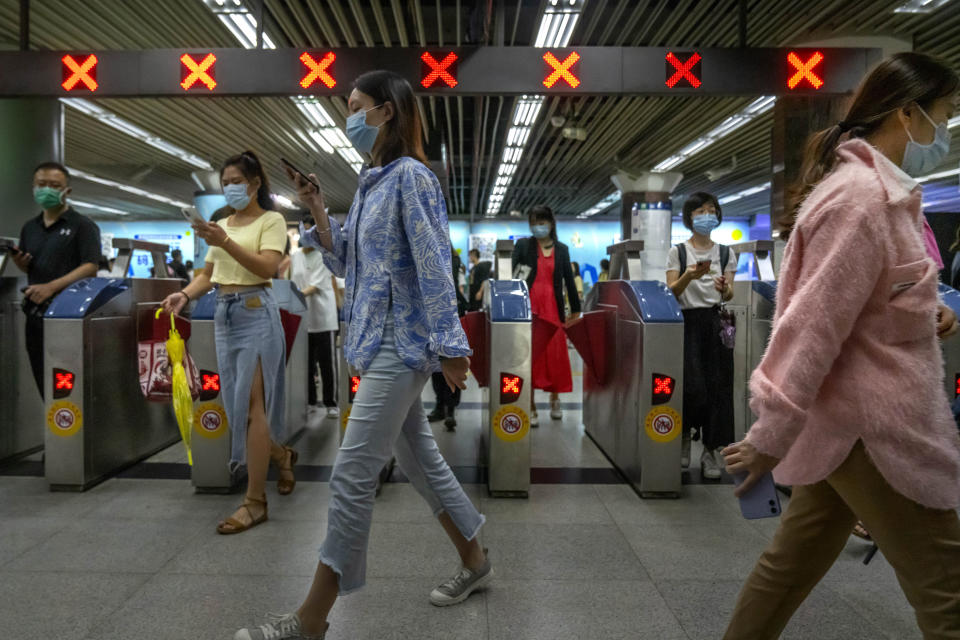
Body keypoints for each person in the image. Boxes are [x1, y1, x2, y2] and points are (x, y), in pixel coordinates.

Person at [234, 70, 489, 640]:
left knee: (351, 474)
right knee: (424, 464)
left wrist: (451, 347)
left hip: (402, 344)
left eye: (356, 106)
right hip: (374, 344)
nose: (348, 116)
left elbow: (434, 267)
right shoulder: (374, 179)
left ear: (386, 112)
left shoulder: (414, 178)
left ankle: (311, 619)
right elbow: (351, 264)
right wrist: (319, 209)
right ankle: (475, 559)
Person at [721, 52, 960, 639]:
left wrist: (923, 310)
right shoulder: (861, 201)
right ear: (907, 113)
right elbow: (811, 326)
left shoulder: (880, 196)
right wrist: (768, 436)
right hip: (876, 432)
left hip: (844, 428)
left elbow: (862, 304)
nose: (946, 131)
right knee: (950, 591)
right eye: (944, 115)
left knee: (788, 570)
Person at [161, 150, 297, 535]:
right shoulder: (221, 221)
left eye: (238, 181)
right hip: (224, 313)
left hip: (256, 310)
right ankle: (282, 455)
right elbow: (209, 273)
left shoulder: (272, 220)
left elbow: (267, 267)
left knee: (254, 406)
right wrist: (185, 295)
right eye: (226, 182)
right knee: (236, 408)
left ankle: (255, 501)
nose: (231, 188)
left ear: (255, 184)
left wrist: (225, 240)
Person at [665, 192, 737, 478]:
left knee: (718, 387)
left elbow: (729, 292)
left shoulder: (725, 253)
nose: (707, 215)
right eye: (700, 211)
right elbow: (672, 290)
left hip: (715, 322)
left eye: (711, 210)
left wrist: (724, 287)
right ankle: (684, 436)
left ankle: (710, 450)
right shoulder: (679, 252)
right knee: (691, 385)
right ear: (690, 218)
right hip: (686, 322)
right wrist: (689, 276)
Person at [13, 162, 101, 397]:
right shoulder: (29, 228)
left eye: (54, 185)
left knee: (67, 384)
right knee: (43, 380)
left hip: (69, 316)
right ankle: (55, 430)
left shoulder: (83, 226)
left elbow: (91, 266)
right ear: (33, 188)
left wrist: (51, 287)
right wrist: (22, 264)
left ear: (67, 191)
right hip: (36, 315)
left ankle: (71, 430)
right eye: (41, 185)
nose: (47, 190)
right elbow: (32, 265)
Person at [512, 205, 581, 426]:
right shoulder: (523, 245)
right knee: (531, 355)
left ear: (551, 223)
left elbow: (569, 281)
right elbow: (512, 275)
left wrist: (576, 310)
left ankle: (555, 399)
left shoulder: (562, 249)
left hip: (553, 306)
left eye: (541, 221)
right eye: (533, 222)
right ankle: (530, 405)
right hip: (529, 306)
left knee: (555, 355)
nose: (537, 226)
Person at [290, 214, 340, 420]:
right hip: (303, 320)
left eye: (310, 232)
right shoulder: (296, 256)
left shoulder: (322, 255)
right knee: (306, 364)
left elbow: (314, 286)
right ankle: (310, 400)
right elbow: (294, 282)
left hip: (323, 318)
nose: (305, 236)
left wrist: (293, 296)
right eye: (303, 232)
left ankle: (331, 402)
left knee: (327, 364)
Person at [428, 243, 468, 430]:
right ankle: (441, 406)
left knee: (450, 363)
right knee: (437, 366)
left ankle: (449, 409)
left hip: (450, 317)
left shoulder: (453, 262)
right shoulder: (429, 259)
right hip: (435, 317)